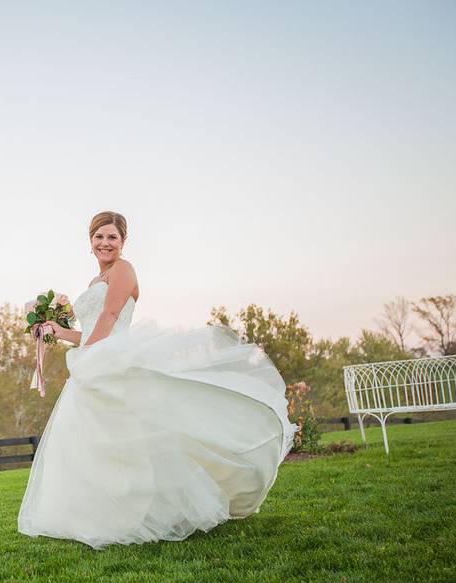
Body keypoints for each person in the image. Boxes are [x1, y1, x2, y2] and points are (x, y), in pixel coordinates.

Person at [17, 211, 299, 550]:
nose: (105, 243)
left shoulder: (124, 269)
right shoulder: (94, 281)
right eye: (99, 237)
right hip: (95, 358)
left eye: (113, 237)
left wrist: (90, 354)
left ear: (122, 242)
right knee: (95, 440)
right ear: (90, 241)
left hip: (110, 360)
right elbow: (91, 329)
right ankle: (102, 512)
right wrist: (57, 331)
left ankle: (157, 507)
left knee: (134, 436)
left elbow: (109, 315)